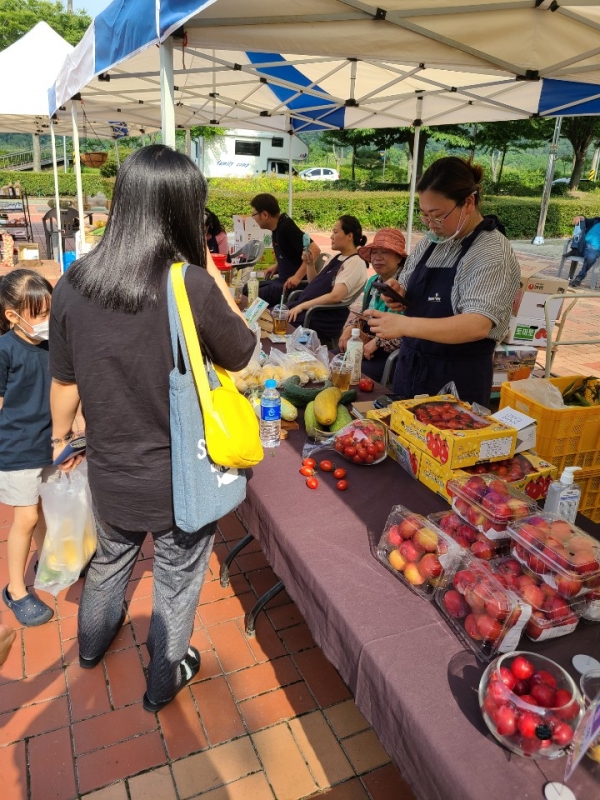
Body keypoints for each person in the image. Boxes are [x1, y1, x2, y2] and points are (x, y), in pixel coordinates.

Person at [49, 145, 256, 713]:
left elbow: (64, 384)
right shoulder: (187, 282)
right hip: (179, 480)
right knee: (175, 580)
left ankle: (90, 647)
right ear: (182, 210)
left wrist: (60, 442)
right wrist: (210, 274)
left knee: (111, 559)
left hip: (109, 472)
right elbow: (241, 354)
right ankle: (164, 679)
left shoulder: (73, 284)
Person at [366, 157, 520, 406]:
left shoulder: (491, 252)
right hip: (412, 368)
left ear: (468, 202)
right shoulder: (431, 241)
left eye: (438, 215)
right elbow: (406, 281)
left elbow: (477, 324)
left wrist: (405, 326)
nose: (431, 225)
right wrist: (398, 292)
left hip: (458, 379)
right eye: (424, 215)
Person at [0, 269, 55, 627]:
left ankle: (48, 560)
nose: (47, 321)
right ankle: (16, 589)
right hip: (18, 446)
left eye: (50, 310)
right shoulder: (5, 351)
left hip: (49, 441)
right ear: (12, 315)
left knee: (42, 510)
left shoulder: (52, 344)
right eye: (39, 313)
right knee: (27, 517)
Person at [339, 228, 407, 382]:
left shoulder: (405, 285)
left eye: (384, 252)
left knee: (352, 374)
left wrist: (377, 343)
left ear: (398, 258)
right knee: (335, 360)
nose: (377, 258)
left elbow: (409, 329)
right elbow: (361, 314)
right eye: (374, 252)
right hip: (367, 342)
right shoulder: (373, 281)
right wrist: (349, 328)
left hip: (392, 353)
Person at [288, 215, 368, 343]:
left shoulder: (355, 262)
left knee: (281, 322)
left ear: (349, 236)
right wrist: (310, 264)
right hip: (310, 308)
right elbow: (314, 284)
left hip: (322, 316)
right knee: (274, 313)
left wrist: (302, 306)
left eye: (335, 232)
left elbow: (335, 296)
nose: (331, 237)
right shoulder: (336, 258)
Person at [249, 193, 320, 304]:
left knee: (250, 294)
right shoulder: (277, 228)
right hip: (281, 280)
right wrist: (277, 266)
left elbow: (315, 250)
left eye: (254, 215)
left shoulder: (286, 227)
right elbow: (291, 254)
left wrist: (297, 277)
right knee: (246, 288)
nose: (254, 219)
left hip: (290, 285)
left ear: (264, 215)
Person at [568, 214, 600, 287]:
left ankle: (579, 277)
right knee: (581, 222)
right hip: (582, 244)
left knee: (591, 257)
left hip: (593, 249)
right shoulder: (596, 221)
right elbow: (585, 219)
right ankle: (575, 248)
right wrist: (579, 217)